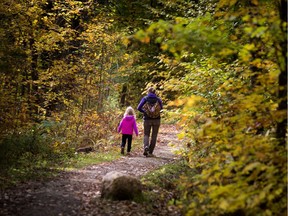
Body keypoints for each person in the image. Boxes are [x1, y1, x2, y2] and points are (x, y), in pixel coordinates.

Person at [137, 87, 163, 157]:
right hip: (157, 119)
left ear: (148, 92)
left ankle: (146, 147)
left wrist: (145, 112)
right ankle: (150, 152)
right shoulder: (158, 99)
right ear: (155, 92)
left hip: (147, 119)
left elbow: (138, 108)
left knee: (146, 134)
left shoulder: (145, 99)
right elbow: (161, 108)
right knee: (154, 135)